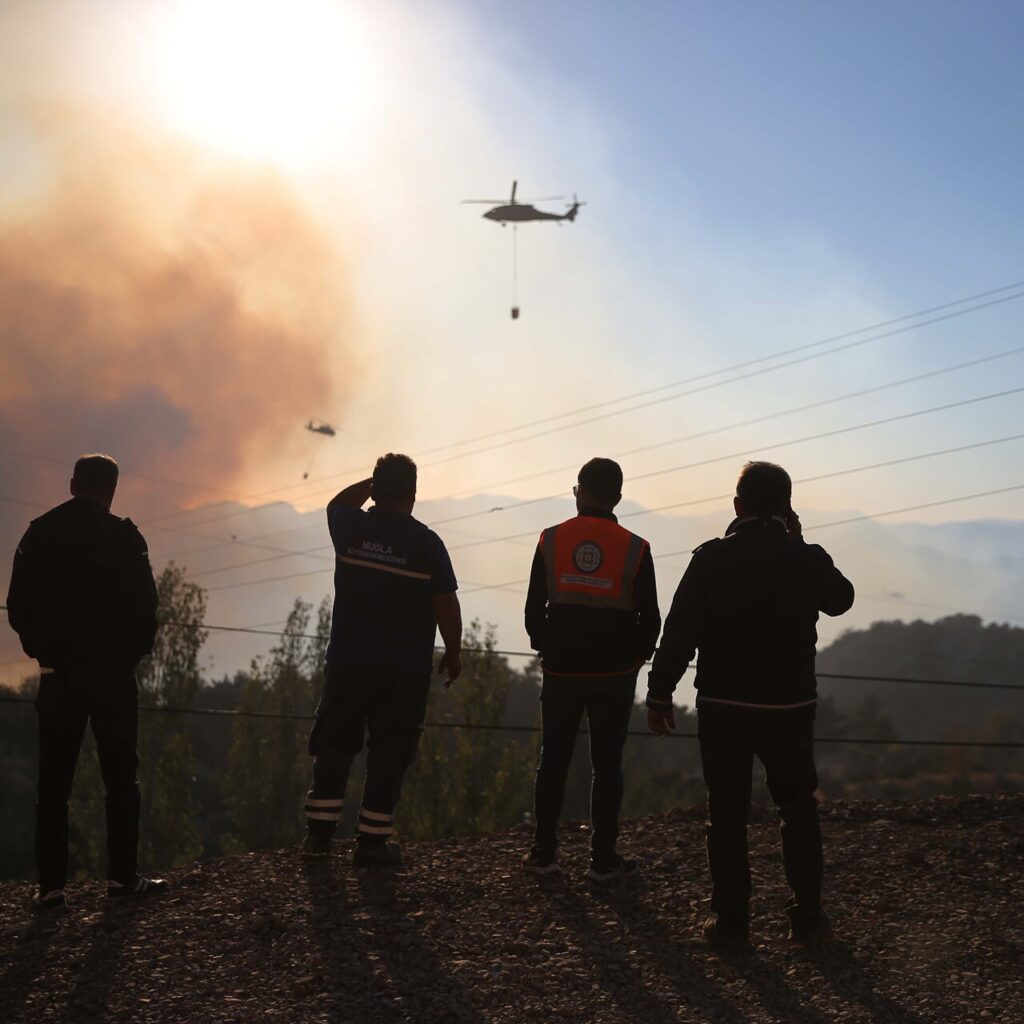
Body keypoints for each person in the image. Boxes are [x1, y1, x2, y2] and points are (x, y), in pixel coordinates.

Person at [647, 461, 854, 947]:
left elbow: (679, 632)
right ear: (788, 507)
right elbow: (841, 599)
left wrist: (659, 692)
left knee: (727, 812)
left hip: (724, 706)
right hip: (789, 707)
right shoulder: (803, 557)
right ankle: (808, 919)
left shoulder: (711, 559)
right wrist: (801, 546)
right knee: (798, 808)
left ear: (737, 505)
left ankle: (732, 923)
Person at [6, 454, 165, 911]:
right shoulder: (127, 538)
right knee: (121, 779)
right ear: (111, 490)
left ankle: (52, 888)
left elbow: (18, 608)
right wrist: (128, 656)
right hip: (114, 680)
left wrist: (44, 651)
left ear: (73, 483)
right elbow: (146, 611)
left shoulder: (38, 534)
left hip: (59, 680)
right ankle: (121, 879)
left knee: (54, 785)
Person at [303, 453, 462, 868]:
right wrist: (455, 650)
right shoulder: (427, 544)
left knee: (335, 745)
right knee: (391, 752)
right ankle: (371, 844)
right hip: (404, 672)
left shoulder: (351, 528)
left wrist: (370, 485)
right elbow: (446, 603)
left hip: (348, 664)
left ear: (376, 489)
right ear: (413, 494)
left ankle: (319, 839)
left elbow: (337, 503)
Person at [524, 457, 661, 881]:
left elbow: (533, 611)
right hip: (613, 677)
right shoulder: (636, 548)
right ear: (619, 496)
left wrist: (547, 648)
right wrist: (633, 661)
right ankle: (602, 859)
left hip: (562, 674)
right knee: (607, 766)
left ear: (578, 491)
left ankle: (544, 854)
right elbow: (651, 620)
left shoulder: (551, 539)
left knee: (553, 762)